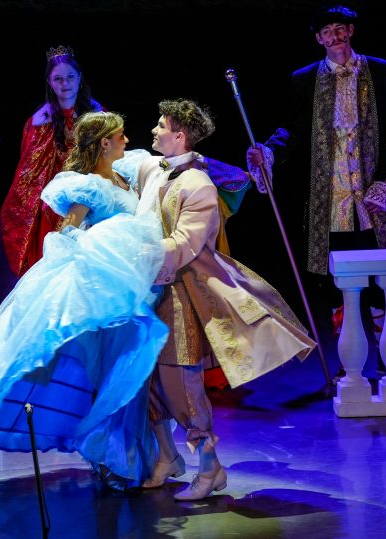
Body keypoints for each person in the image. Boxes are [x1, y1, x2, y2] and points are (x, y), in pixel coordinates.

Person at [0, 112, 169, 489]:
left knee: (122, 369)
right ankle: (115, 458)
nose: (126, 140)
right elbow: (68, 229)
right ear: (104, 142)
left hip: (124, 287)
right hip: (98, 287)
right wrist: (93, 247)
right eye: (120, 135)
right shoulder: (90, 186)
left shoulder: (125, 175)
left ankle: (127, 459)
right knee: (99, 370)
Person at [135, 99, 316, 500]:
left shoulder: (198, 184)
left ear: (180, 135)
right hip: (150, 293)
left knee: (182, 383)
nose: (154, 131)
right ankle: (168, 457)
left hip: (182, 297)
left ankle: (209, 468)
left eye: (161, 125)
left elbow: (186, 243)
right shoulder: (156, 171)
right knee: (147, 379)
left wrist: (136, 251)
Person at [246, 5, 386, 359]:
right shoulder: (304, 79)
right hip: (329, 200)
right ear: (319, 39)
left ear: (351, 31)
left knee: (380, 278)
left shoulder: (381, 72)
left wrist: (384, 184)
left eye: (340, 28)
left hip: (371, 197)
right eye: (327, 32)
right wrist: (268, 151)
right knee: (334, 282)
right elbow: (293, 129)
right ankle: (349, 362)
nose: (335, 37)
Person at [0, 46, 103, 300]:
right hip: (52, 189)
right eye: (58, 79)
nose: (65, 84)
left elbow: (107, 156)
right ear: (50, 83)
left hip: (89, 184)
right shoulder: (39, 121)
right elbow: (29, 170)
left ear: (79, 78)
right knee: (47, 209)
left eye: (70, 77)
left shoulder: (97, 115)